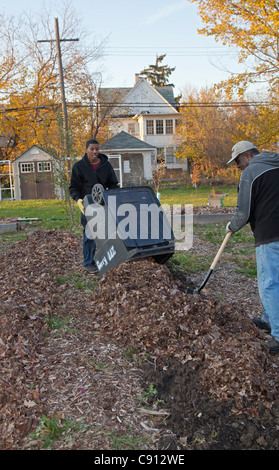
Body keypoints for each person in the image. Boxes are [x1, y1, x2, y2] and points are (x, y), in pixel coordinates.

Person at [226, 140, 279, 355]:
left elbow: (243, 211)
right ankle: (268, 318)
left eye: (238, 161)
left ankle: (277, 334)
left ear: (248, 155)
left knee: (269, 284)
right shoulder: (276, 164)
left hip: (269, 236)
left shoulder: (251, 171)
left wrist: (232, 225)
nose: (237, 166)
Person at [69, 138, 119, 273]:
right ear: (86, 150)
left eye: (97, 149)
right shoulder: (79, 167)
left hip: (104, 204)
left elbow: (113, 184)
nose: (95, 152)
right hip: (88, 205)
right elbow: (73, 187)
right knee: (89, 234)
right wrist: (78, 200)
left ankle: (109, 259)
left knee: (108, 233)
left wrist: (113, 198)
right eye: (92, 149)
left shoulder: (106, 166)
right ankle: (89, 263)